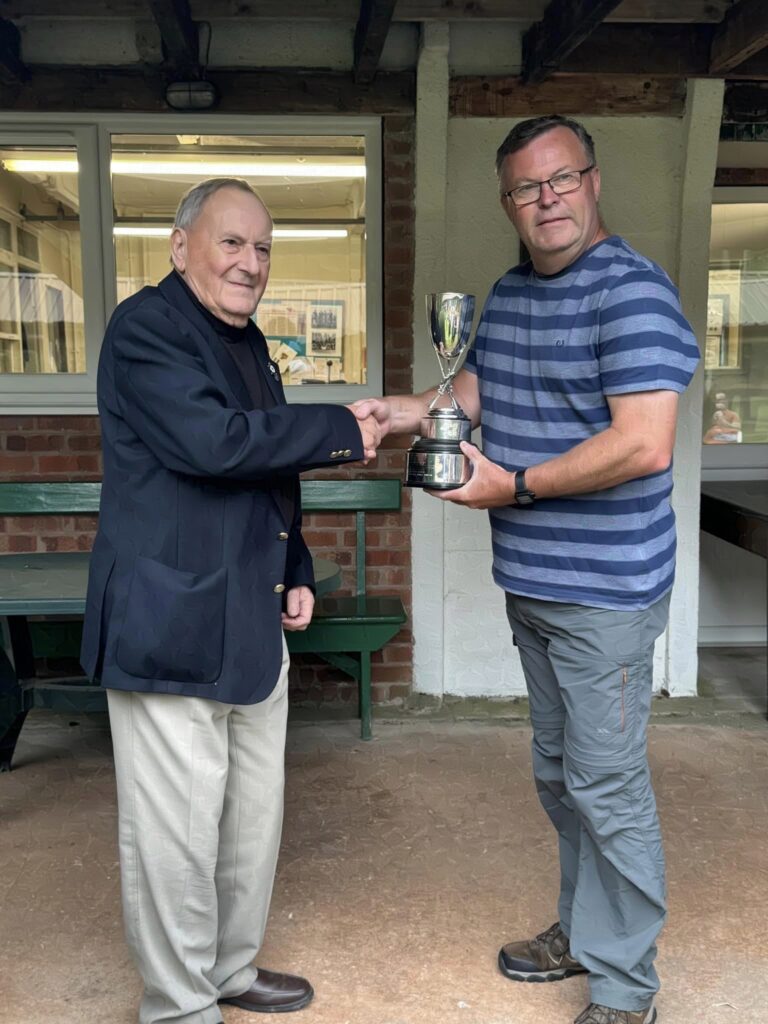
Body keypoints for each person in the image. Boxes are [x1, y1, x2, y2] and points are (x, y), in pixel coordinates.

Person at [353, 115, 700, 1024]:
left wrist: (515, 487)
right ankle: (584, 931)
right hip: (537, 587)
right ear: (508, 201)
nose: (545, 199)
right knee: (559, 774)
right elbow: (471, 391)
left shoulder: (632, 295)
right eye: (525, 188)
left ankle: (626, 991)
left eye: (561, 179)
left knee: (607, 785)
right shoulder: (512, 293)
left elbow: (643, 444)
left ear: (592, 181)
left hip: (606, 596)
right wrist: (398, 412)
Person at [81, 177, 381, 1024]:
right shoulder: (147, 330)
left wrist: (297, 570)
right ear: (181, 248)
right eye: (231, 243)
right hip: (167, 617)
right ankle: (179, 1006)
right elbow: (214, 445)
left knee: (251, 814)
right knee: (175, 835)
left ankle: (229, 969)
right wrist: (340, 426)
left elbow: (264, 473)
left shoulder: (247, 342)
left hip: (250, 606)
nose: (251, 264)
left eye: (263, 249)